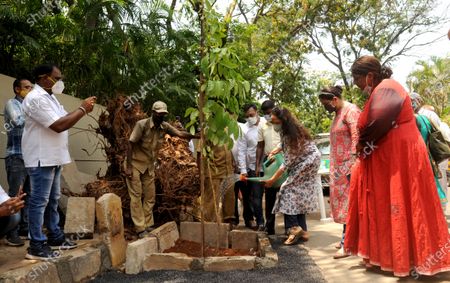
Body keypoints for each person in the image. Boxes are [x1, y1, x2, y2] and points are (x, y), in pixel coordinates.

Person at [345, 55, 450, 276]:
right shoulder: (381, 88)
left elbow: (377, 124)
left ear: (370, 76)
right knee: (391, 206)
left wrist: (363, 143)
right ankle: (397, 258)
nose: (357, 85)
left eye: (358, 80)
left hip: (400, 156)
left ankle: (416, 259)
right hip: (388, 157)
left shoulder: (388, 88)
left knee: (406, 204)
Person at [22, 64, 97, 260]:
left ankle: (54, 236)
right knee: (39, 201)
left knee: (53, 199)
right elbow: (58, 125)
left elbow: (64, 118)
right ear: (44, 78)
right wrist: (83, 108)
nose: (60, 81)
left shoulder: (50, 98)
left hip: (53, 157)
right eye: (57, 77)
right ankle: (36, 245)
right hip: (41, 158)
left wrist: (80, 110)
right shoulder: (35, 98)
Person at [126, 101, 197, 238]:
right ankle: (140, 228)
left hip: (148, 166)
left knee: (150, 196)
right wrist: (128, 167)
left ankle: (148, 224)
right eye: (159, 114)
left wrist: (196, 136)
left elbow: (180, 134)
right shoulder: (142, 125)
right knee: (136, 196)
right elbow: (130, 144)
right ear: (153, 113)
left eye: (163, 114)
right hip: (134, 164)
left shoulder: (164, 126)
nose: (161, 116)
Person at [264, 107, 320, 245]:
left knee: (286, 190)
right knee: (298, 193)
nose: (274, 124)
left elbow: (286, 164)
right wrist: (277, 149)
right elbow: (283, 144)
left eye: (275, 121)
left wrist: (272, 179)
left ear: (283, 121)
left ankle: (294, 229)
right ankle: (303, 231)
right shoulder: (291, 129)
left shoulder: (291, 135)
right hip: (311, 160)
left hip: (307, 162)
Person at [318, 86, 360, 259]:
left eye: (325, 103)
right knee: (343, 205)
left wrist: (353, 165)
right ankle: (349, 239)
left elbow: (357, 138)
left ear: (334, 99)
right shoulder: (338, 114)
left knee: (349, 205)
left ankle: (347, 243)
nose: (324, 107)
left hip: (349, 167)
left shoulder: (351, 111)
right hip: (339, 168)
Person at [3, 78, 33, 246]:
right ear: (17, 89)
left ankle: (23, 227)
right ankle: (10, 232)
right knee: (15, 195)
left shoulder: (30, 106)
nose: (29, 90)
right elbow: (18, 122)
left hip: (30, 157)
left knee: (27, 195)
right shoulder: (12, 104)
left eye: (31, 87)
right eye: (26, 87)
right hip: (16, 156)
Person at [410, 93, 447, 210]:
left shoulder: (413, 120)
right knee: (433, 181)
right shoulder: (426, 118)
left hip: (416, 157)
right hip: (429, 156)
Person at [237, 103, 266, 230]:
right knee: (256, 196)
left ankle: (269, 224)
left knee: (270, 196)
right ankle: (260, 222)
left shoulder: (266, 124)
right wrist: (243, 170)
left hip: (269, 165)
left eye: (251, 115)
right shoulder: (244, 129)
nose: (249, 118)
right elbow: (241, 150)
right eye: (247, 116)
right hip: (253, 168)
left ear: (257, 112)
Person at [255, 100, 281, 235]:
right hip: (268, 162)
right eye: (265, 114)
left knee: (285, 193)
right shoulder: (262, 126)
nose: (268, 116)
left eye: (269, 113)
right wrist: (258, 164)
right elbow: (260, 146)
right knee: (269, 195)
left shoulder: (282, 123)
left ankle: (291, 227)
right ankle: (269, 226)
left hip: (282, 159)